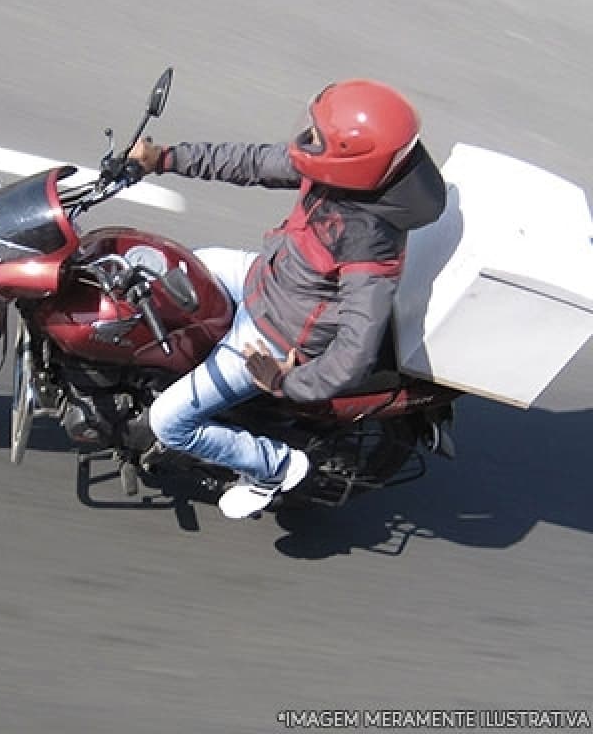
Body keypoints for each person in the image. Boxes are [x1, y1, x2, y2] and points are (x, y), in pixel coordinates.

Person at [128, 79, 447, 519]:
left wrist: (284, 382)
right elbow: (254, 162)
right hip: (262, 279)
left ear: (354, 159)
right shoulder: (331, 169)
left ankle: (274, 467)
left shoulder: (370, 243)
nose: (304, 140)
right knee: (170, 267)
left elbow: (356, 348)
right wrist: (164, 158)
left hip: (278, 335)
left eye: (317, 137)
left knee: (170, 421)